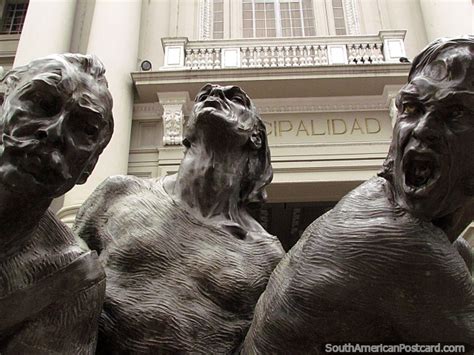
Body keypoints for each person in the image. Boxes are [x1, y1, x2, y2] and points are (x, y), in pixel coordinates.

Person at [243, 37, 474, 354]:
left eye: (457, 113)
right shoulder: (397, 236)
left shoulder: (444, 246)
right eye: (412, 107)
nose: (421, 130)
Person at [74, 84, 284, 354]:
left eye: (235, 98)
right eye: (205, 95)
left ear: (256, 137)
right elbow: (60, 282)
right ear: (188, 129)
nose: (215, 94)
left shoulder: (266, 255)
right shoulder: (119, 192)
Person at [0, 53, 114, 354]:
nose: (54, 132)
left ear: (89, 166)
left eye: (85, 129)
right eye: (40, 104)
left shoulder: (71, 279)